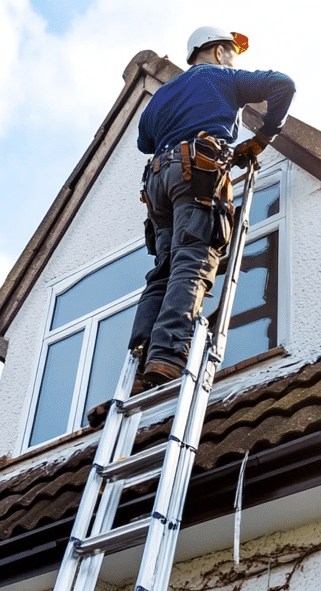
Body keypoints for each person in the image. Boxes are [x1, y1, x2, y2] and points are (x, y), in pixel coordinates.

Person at [127, 27, 295, 387]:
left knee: (164, 271)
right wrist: (262, 139)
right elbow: (283, 85)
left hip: (157, 182)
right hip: (197, 174)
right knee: (193, 257)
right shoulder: (222, 77)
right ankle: (169, 352)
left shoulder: (159, 98)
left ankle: (141, 362)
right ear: (218, 53)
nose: (232, 60)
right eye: (231, 53)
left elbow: (145, 141)